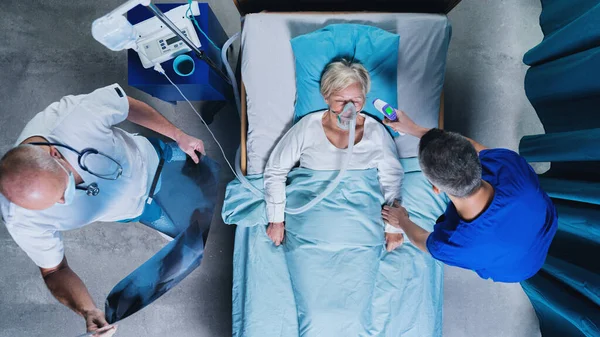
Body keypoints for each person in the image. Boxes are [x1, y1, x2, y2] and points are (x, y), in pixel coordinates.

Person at [0, 84, 206, 336]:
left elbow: (126, 106)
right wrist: (87, 309)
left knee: (210, 182)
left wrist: (178, 135)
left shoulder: (75, 117)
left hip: (156, 160)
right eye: (52, 204)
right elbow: (54, 270)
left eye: (64, 190)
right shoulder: (21, 219)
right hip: (138, 209)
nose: (65, 202)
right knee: (196, 238)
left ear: (55, 153)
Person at [381, 110, 558, 282]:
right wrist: (415, 129)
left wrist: (402, 220)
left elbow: (421, 239)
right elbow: (473, 147)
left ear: (436, 188)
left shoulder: (451, 243)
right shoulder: (509, 165)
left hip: (520, 269)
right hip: (544, 225)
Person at [263, 59, 405, 252]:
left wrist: (393, 227)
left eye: (356, 101)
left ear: (364, 98)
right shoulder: (307, 127)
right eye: (340, 101)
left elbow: (392, 180)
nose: (349, 109)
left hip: (360, 229)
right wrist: (276, 219)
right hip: (311, 225)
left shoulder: (376, 133)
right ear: (326, 97)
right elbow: (276, 170)